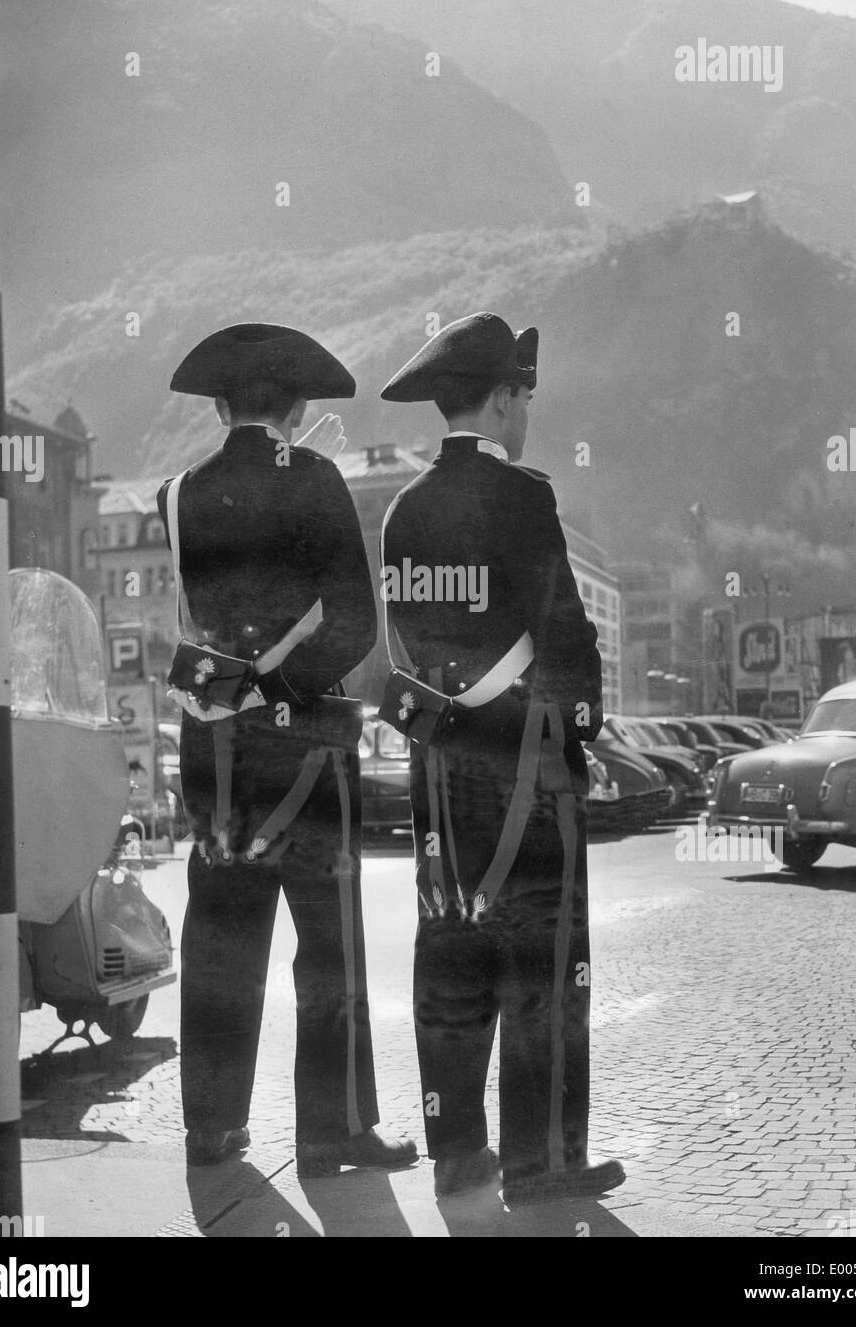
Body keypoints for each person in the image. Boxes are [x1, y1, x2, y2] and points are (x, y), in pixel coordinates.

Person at [379, 312, 626, 1203]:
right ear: (500, 397)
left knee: (448, 958)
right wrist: (581, 727)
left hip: (439, 775)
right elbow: (562, 634)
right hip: (525, 767)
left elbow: (407, 642)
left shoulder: (403, 510)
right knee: (544, 967)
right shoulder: (523, 499)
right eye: (522, 395)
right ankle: (542, 1161)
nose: (527, 413)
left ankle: (455, 1151)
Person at [159, 323, 416, 1173]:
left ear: (221, 405)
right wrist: (285, 683)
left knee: (220, 940)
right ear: (297, 405)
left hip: (214, 743)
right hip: (302, 739)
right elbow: (352, 622)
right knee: (328, 940)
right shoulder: (315, 477)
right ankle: (331, 1131)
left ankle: (210, 1127)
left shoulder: (176, 491)